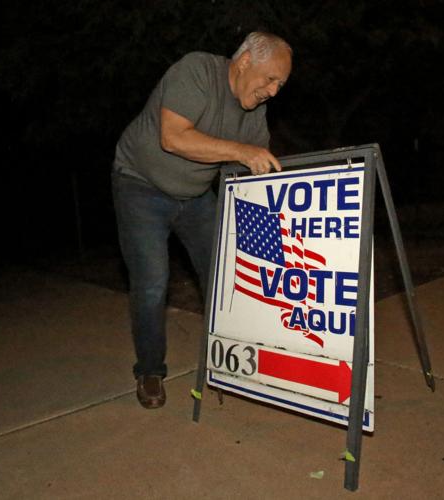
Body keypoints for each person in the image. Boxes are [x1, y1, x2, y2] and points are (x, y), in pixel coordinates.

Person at [111, 31, 293, 409]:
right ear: (244, 62)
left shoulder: (255, 110)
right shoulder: (196, 71)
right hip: (140, 185)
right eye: (270, 79)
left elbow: (255, 169)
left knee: (225, 276)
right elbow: (174, 138)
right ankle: (149, 370)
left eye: (281, 84)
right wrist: (243, 152)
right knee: (152, 281)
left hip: (194, 195)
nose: (274, 91)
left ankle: (228, 363)